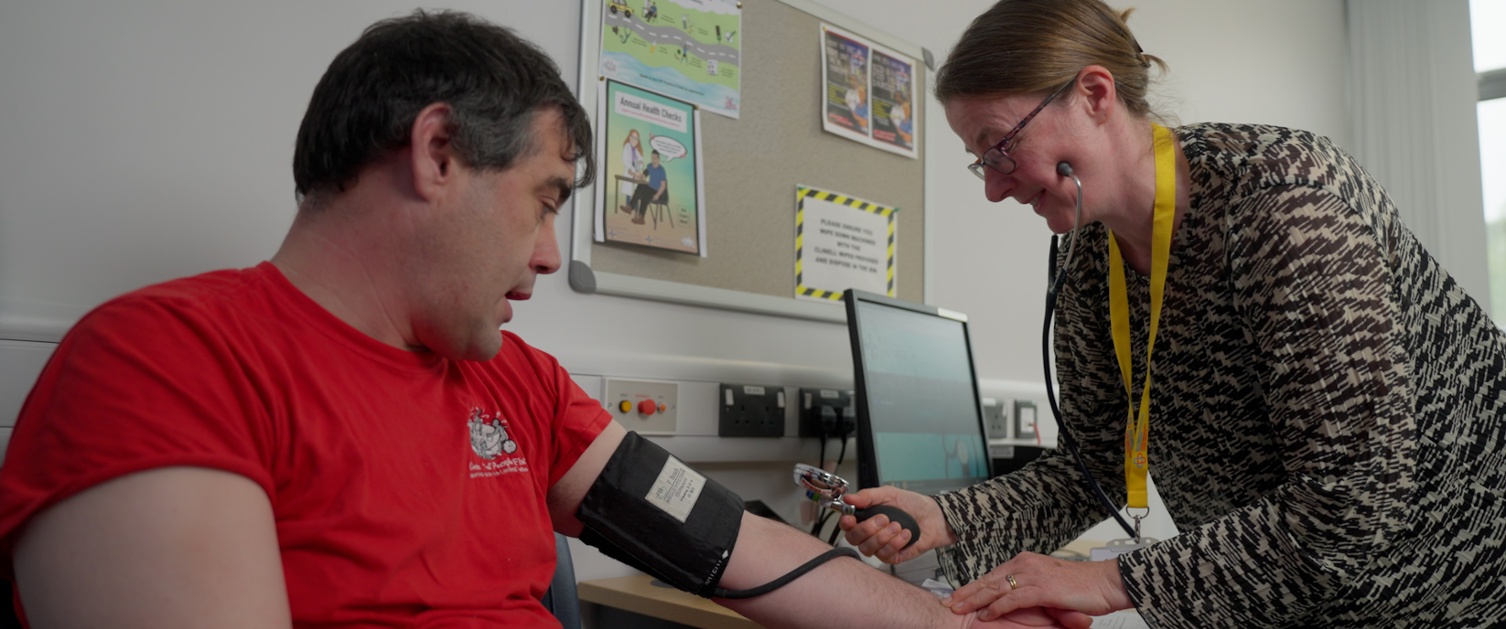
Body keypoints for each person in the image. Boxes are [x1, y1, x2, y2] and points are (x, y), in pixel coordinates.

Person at [0, 10, 1095, 629]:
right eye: (544, 200)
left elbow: (735, 545)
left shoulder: (515, 383)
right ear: (437, 153)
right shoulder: (165, 362)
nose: (545, 254)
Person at [839, 0, 1506, 627]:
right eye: (979, 162)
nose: (993, 187)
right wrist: (944, 516)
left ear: (1095, 95)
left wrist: (1107, 581)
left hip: (1455, 588)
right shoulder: (1086, 258)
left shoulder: (1288, 206)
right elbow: (1093, 468)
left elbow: (1352, 501)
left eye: (1000, 146)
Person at [627, 148, 668, 225]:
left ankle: (641, 217)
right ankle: (630, 207)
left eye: (655, 157)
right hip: (649, 188)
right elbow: (642, 176)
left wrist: (657, 195)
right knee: (641, 186)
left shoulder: (661, 170)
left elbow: (663, 185)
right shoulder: (650, 166)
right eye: (652, 157)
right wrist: (632, 174)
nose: (654, 159)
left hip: (656, 191)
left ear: (658, 159)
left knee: (645, 194)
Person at [617, 128, 645, 214]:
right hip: (629, 171)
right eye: (633, 137)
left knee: (635, 191)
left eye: (636, 139)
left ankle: (634, 208)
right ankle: (629, 207)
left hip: (635, 172)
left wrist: (638, 166)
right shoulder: (627, 147)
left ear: (638, 141)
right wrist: (634, 170)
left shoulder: (636, 150)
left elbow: (641, 162)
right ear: (629, 137)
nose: (634, 140)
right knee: (629, 190)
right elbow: (626, 160)